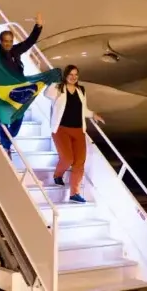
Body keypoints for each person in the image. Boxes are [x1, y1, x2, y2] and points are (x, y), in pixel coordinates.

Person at [0, 15, 44, 158]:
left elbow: (30, 41)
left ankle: (6, 143)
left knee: (16, 123)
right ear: (0, 41)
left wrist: (38, 26)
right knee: (4, 121)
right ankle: (6, 148)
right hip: (3, 94)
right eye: (6, 41)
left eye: (10, 41)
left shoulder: (15, 50)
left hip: (18, 92)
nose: (8, 44)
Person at [44, 65, 104, 204]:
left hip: (78, 130)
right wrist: (55, 80)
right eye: (70, 74)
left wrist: (93, 114)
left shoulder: (81, 90)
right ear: (65, 75)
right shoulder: (58, 88)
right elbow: (46, 94)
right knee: (67, 158)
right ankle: (58, 174)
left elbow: (83, 110)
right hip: (61, 129)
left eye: (76, 74)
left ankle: (74, 193)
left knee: (79, 162)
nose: (73, 77)